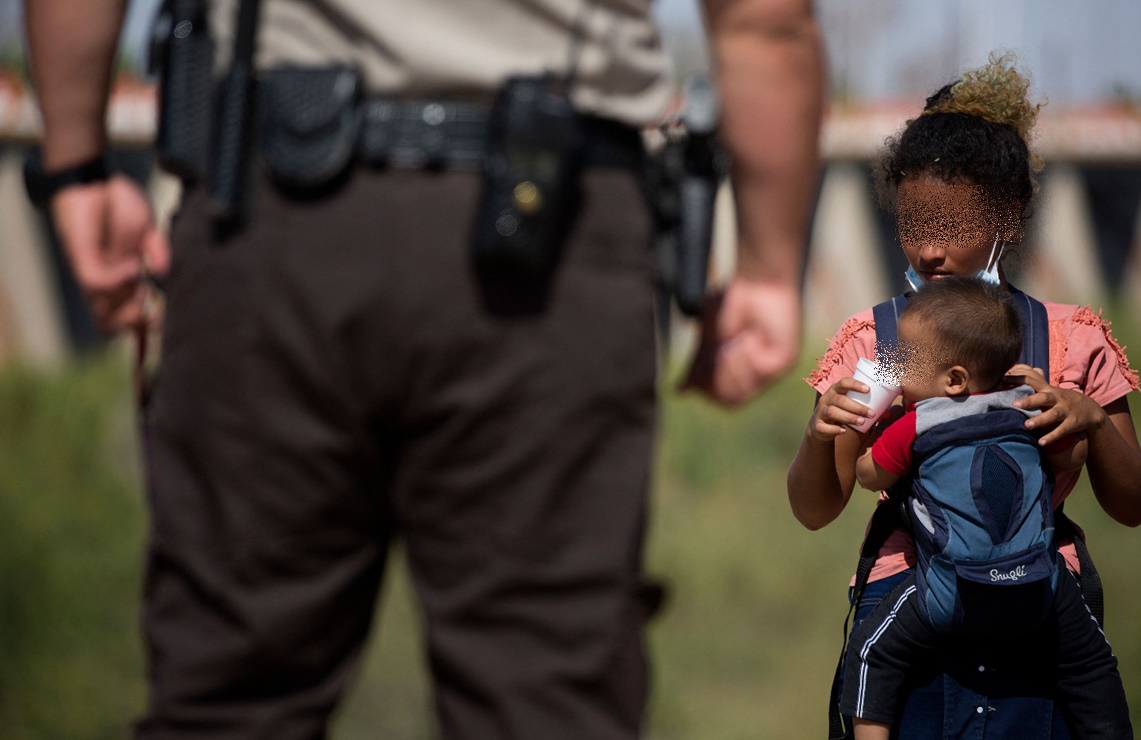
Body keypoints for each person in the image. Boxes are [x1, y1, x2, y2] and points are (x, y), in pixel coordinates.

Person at [22, 0, 824, 738]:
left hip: (270, 211)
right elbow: (763, 20)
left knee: (226, 701)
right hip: (550, 226)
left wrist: (73, 162)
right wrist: (767, 263)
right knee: (545, 703)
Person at [787, 52, 1141, 738]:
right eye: (913, 228)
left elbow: (1135, 506)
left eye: (950, 230)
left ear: (1007, 217)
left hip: (1043, 624)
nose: (930, 252)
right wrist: (818, 438)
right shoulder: (889, 345)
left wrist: (1094, 424)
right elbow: (816, 509)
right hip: (913, 630)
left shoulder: (1068, 338)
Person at [841, 276, 1131, 740]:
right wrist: (1048, 397)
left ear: (954, 379)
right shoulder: (1026, 405)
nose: (897, 371)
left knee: (874, 656)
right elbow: (1071, 457)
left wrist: (867, 421)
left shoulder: (917, 422)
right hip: (1041, 584)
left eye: (907, 361)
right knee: (1092, 666)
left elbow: (867, 476)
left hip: (949, 589)